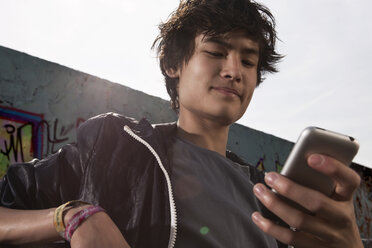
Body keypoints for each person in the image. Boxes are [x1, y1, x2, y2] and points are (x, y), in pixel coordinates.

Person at [0, 0, 366, 247]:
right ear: (173, 65)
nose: (233, 71)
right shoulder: (114, 146)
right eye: (216, 52)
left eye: (249, 62)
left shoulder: (270, 197)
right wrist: (71, 217)